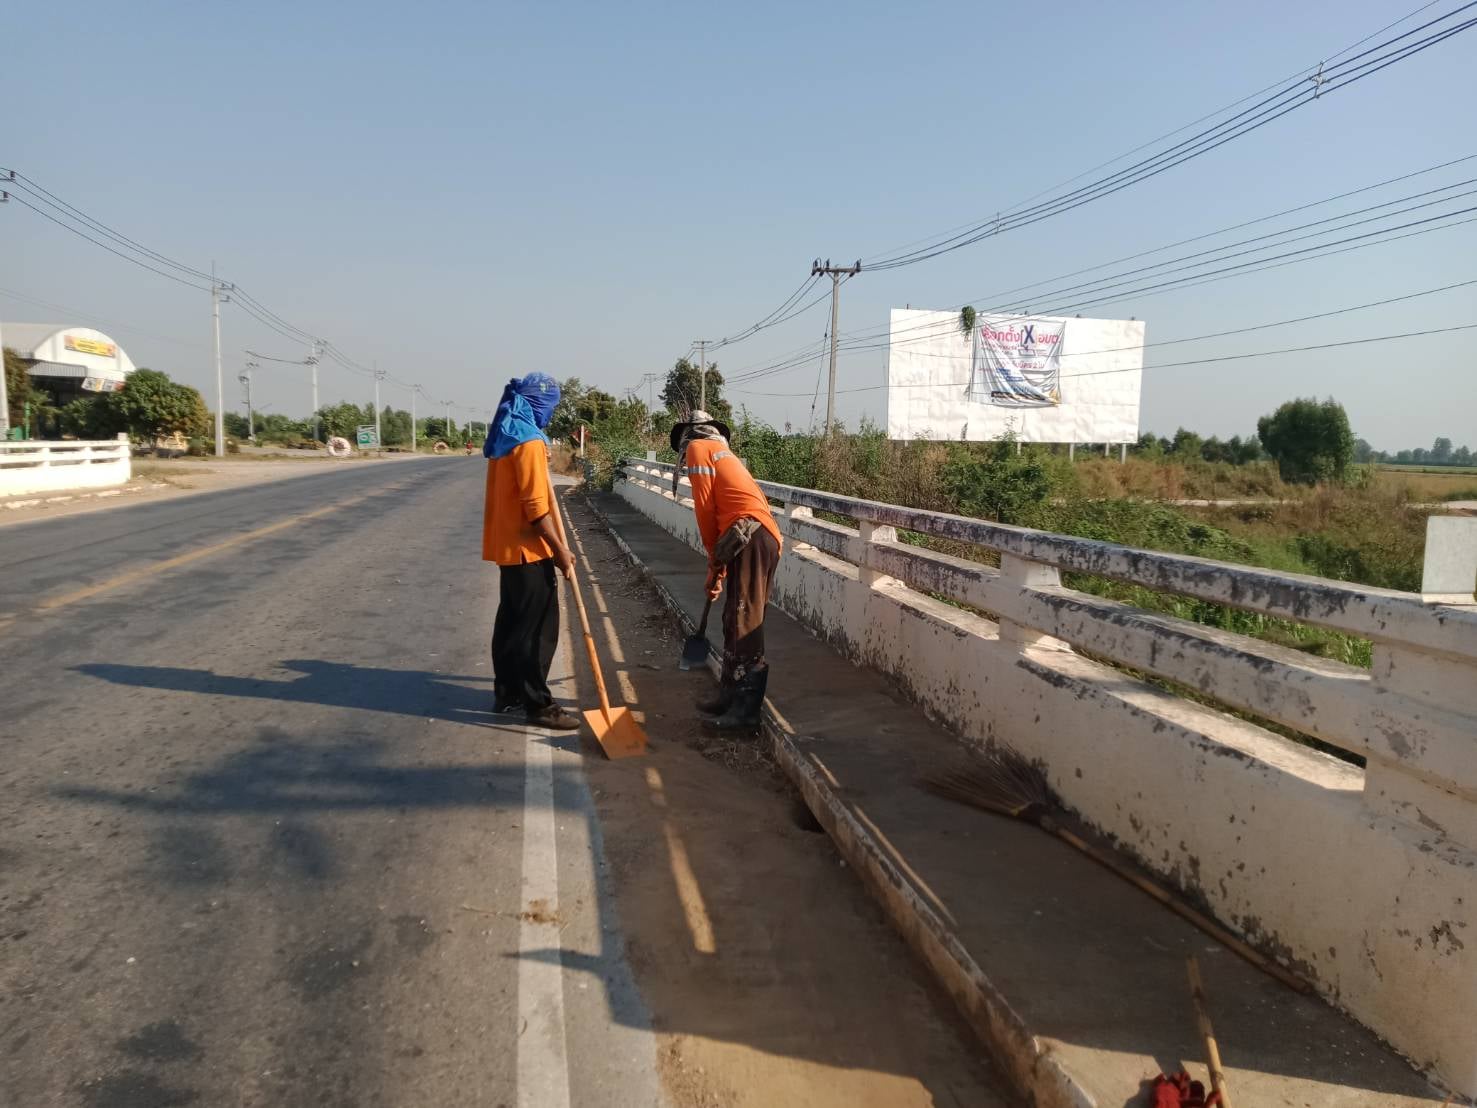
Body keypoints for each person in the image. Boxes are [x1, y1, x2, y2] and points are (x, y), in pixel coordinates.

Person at [671, 410, 783, 733]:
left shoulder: (698, 449)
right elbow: (720, 513)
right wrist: (718, 567)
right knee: (733, 618)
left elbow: (706, 512)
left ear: (688, 435)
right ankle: (729, 697)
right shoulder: (720, 452)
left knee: (744, 621)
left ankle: (746, 715)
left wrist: (713, 564)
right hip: (750, 537)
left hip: (750, 537)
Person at [483, 373, 581, 730]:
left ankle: (507, 693)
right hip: (528, 549)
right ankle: (539, 705)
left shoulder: (506, 434)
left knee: (511, 622)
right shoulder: (528, 441)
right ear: (541, 404)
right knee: (537, 630)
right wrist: (559, 550)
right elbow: (537, 508)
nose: (550, 413)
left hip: (508, 548)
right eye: (551, 405)